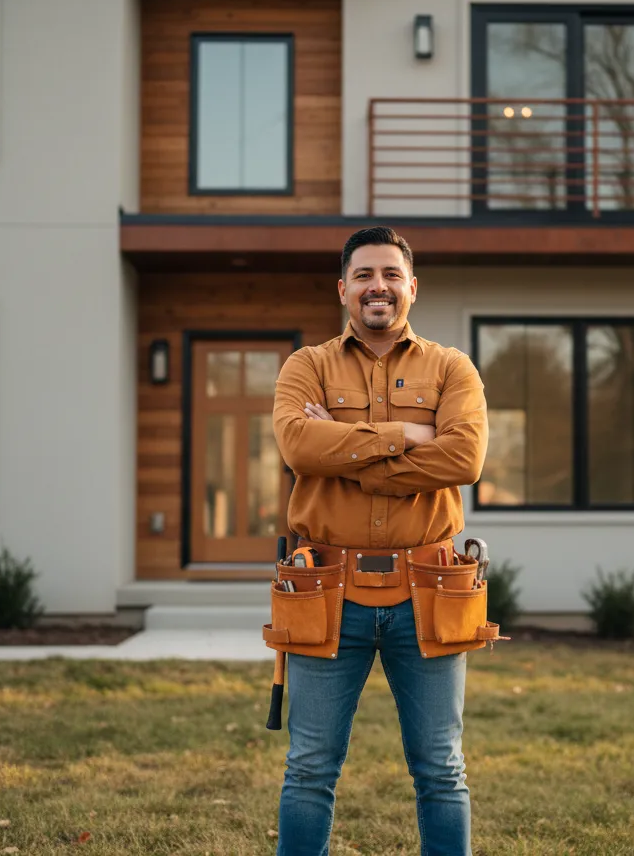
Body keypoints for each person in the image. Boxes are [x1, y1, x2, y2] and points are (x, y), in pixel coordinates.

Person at [270, 226, 491, 855]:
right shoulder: (306, 365)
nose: (379, 287)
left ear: (412, 288)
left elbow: (465, 458)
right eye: (365, 275)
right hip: (323, 587)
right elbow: (297, 446)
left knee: (441, 769)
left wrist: (348, 444)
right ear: (343, 289)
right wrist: (410, 436)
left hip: (430, 587)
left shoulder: (452, 368)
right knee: (309, 768)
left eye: (391, 275)